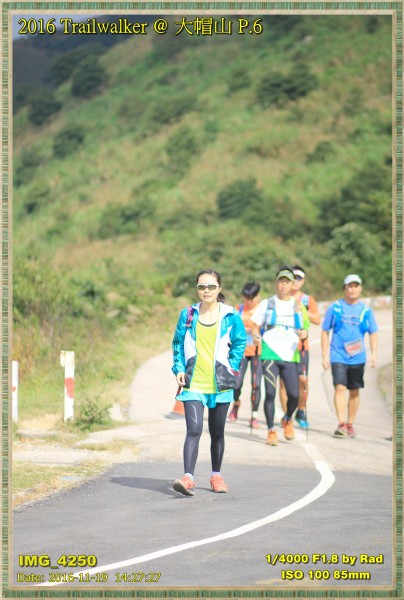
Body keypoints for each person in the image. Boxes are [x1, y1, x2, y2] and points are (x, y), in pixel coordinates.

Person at [171, 269, 247, 496]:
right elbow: (177, 344)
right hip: (193, 383)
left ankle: (216, 476)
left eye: (211, 286)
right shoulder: (188, 315)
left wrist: (232, 367)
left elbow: (240, 342)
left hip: (220, 383)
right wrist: (179, 368)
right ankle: (188, 478)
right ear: (197, 289)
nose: (206, 290)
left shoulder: (231, 316)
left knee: (217, 432)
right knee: (193, 430)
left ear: (219, 289)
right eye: (202, 286)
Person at [251, 266, 309, 446]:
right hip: (269, 353)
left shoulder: (298, 306)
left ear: (292, 284)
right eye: (281, 281)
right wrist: (256, 336)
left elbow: (305, 329)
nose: (284, 285)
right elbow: (255, 327)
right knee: (270, 393)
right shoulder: (267, 304)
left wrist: (304, 334)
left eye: (287, 282)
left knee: (294, 395)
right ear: (276, 283)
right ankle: (271, 431)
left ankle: (287, 419)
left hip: (290, 355)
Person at [321, 273, 378, 438]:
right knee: (339, 387)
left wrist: (374, 354)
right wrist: (325, 355)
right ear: (344, 289)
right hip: (338, 355)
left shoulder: (366, 310)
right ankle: (341, 423)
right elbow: (325, 331)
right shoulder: (335, 307)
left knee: (354, 391)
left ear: (360, 288)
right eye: (349, 286)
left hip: (358, 356)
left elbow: (373, 332)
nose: (352, 289)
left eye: (355, 286)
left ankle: (350, 424)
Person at [279, 265, 320, 429]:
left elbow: (317, 320)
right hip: (283, 347)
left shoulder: (307, 300)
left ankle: (301, 410)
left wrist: (300, 309)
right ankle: (287, 416)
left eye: (299, 278)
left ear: (303, 281)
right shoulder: (281, 298)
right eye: (293, 277)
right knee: (283, 383)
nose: (296, 281)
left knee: (303, 381)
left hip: (302, 346)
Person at [228, 282, 263, 429]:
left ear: (257, 296)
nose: (248, 301)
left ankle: (254, 416)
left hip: (257, 352)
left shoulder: (263, 310)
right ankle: (236, 403)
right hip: (241, 352)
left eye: (251, 298)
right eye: (246, 298)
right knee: (236, 384)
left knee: (256, 384)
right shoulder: (238, 309)